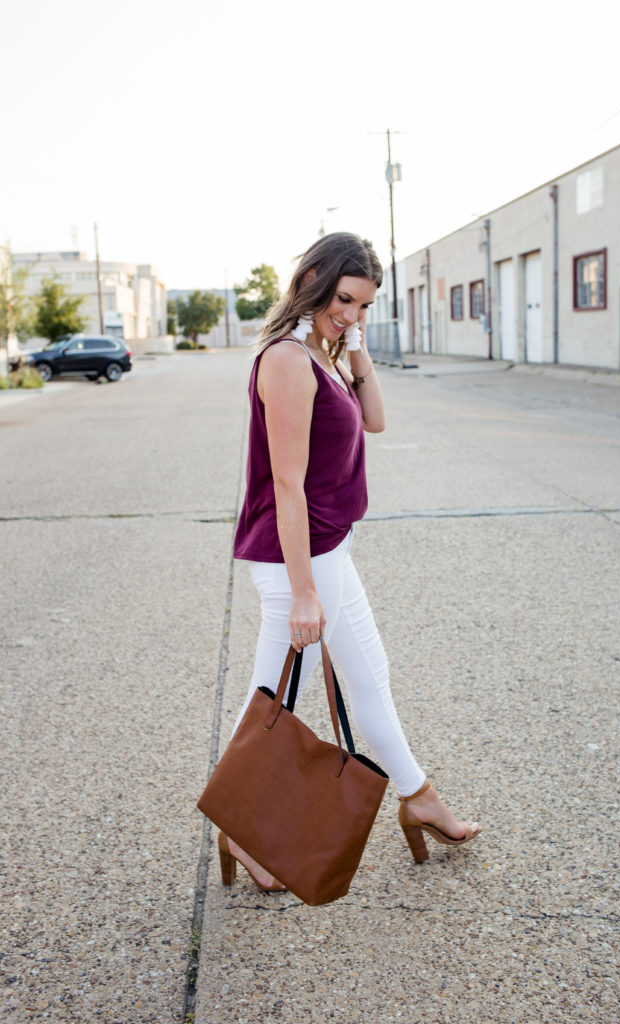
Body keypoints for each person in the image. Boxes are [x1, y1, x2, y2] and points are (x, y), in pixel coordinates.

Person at [219, 232, 480, 892]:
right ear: (310, 278)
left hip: (328, 548)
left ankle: (417, 797)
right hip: (295, 560)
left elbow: (375, 420)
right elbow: (285, 484)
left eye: (362, 306)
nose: (351, 315)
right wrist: (304, 592)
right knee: (278, 700)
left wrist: (354, 347)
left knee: (363, 677)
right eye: (343, 300)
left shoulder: (324, 353)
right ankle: (238, 826)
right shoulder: (284, 359)